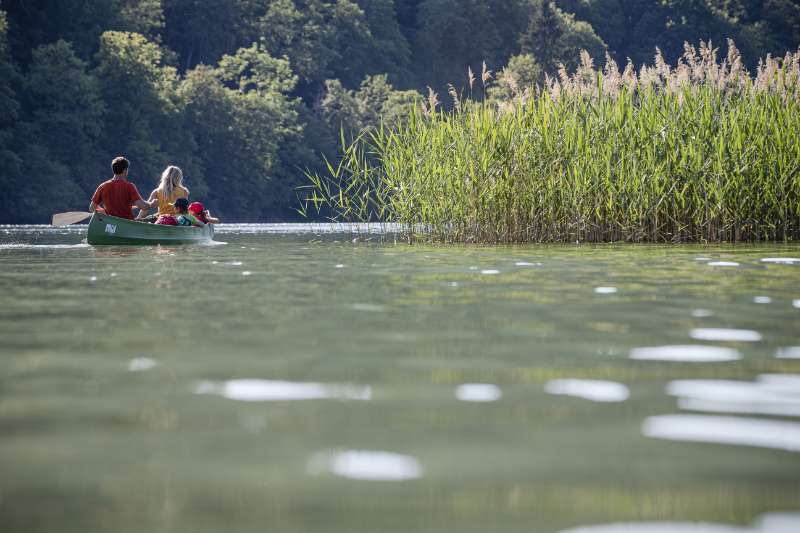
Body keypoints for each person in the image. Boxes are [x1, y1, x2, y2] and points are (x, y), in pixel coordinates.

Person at [90, 156, 155, 220]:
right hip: (126, 223)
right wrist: (152, 204)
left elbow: (92, 208)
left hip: (110, 222)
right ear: (125, 170)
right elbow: (143, 206)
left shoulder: (102, 186)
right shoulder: (129, 186)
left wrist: (104, 212)